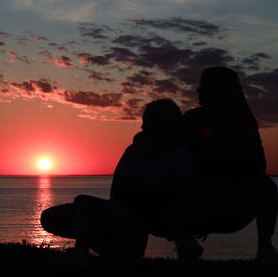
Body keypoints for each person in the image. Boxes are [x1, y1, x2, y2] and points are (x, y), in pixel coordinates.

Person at [68, 99, 189, 262]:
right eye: (144, 122)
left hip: (148, 216)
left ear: (163, 123)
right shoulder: (136, 149)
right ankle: (110, 250)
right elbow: (120, 186)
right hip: (125, 212)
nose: (143, 127)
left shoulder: (177, 153)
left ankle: (88, 254)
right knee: (67, 211)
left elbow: (168, 191)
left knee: (83, 204)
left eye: (148, 122)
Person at [180, 66, 278, 263]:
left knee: (267, 187)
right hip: (194, 199)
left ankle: (265, 248)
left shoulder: (243, 122)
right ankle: (185, 242)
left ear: (218, 90)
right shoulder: (191, 119)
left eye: (203, 87)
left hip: (233, 202)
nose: (197, 91)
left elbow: (258, 165)